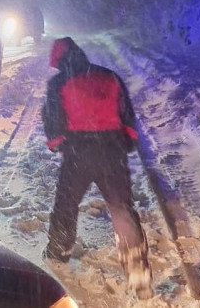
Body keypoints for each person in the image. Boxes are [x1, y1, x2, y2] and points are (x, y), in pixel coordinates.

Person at [41, 37, 153, 299]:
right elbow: (127, 114)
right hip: (111, 150)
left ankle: (59, 252)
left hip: (78, 152)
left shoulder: (58, 83)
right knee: (121, 208)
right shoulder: (109, 76)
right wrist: (126, 142)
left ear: (59, 61)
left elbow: (52, 120)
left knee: (66, 203)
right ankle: (137, 271)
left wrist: (56, 143)